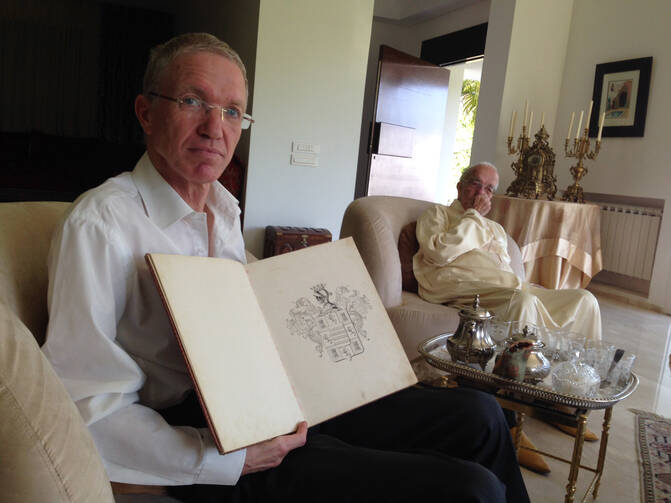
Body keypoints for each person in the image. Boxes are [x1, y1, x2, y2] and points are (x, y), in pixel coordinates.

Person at [43, 33, 529, 502]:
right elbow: (84, 409)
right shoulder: (100, 225)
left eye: (233, 111)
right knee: (470, 489)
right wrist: (228, 460)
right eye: (193, 101)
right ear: (146, 113)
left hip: (269, 395)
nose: (216, 129)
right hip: (193, 429)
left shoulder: (225, 209)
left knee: (481, 415)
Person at [413, 162, 602, 341]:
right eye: (475, 183)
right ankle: (519, 369)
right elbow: (439, 252)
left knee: (585, 300)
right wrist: (474, 216)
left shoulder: (495, 228)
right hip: (460, 286)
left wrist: (527, 286)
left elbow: (503, 269)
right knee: (522, 301)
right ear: (459, 186)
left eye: (488, 189)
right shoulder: (438, 214)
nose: (480, 192)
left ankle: (579, 369)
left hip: (504, 289)